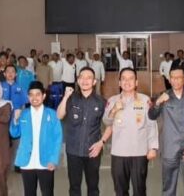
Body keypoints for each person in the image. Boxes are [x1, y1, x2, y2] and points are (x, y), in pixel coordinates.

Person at [148, 65, 184, 196]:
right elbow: (151, 116)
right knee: (168, 188)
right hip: (169, 148)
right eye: (172, 78)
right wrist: (158, 103)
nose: (175, 80)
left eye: (179, 77)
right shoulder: (163, 96)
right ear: (169, 79)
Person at [103, 67, 159, 196]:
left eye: (130, 79)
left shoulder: (145, 100)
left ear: (136, 82)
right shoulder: (112, 100)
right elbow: (106, 121)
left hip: (139, 152)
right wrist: (114, 110)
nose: (127, 82)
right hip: (118, 153)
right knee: (120, 191)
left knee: (139, 190)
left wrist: (153, 147)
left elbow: (151, 124)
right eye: (123, 79)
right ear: (119, 82)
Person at [58, 67, 111, 196]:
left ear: (94, 81)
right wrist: (65, 97)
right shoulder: (71, 99)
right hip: (73, 151)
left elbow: (110, 125)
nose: (85, 80)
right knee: (74, 187)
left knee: (93, 187)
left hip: (93, 151)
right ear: (78, 80)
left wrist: (101, 143)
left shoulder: (101, 101)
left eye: (89, 78)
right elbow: (59, 115)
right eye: (82, 77)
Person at [11, 81, 63, 196]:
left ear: (43, 96)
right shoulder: (23, 114)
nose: (34, 98)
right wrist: (15, 120)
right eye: (31, 95)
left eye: (37, 94)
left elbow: (58, 138)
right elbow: (14, 134)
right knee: (29, 193)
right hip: (27, 161)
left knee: (47, 193)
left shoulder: (52, 114)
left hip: (46, 161)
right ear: (28, 97)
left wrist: (53, 159)